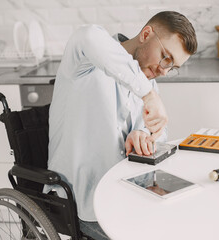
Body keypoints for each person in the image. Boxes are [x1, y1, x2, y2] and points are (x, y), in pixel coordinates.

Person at [46, 11, 197, 240]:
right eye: (165, 58)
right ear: (146, 34)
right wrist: (149, 96)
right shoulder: (85, 61)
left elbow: (160, 133)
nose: (164, 71)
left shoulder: (148, 81)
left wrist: (144, 133)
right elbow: (88, 37)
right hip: (81, 203)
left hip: (125, 195)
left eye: (172, 66)